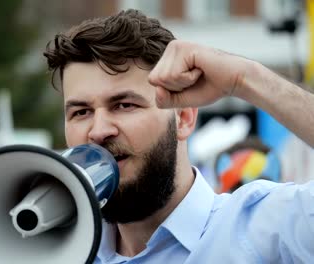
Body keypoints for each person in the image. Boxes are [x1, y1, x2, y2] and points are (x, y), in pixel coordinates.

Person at [44, 9, 314, 263]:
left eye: (124, 105)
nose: (99, 130)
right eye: (81, 112)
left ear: (183, 118)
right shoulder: (51, 247)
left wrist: (243, 79)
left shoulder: (263, 230)